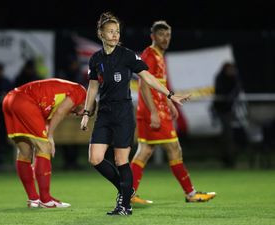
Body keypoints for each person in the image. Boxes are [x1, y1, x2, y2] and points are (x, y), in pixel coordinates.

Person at [80, 12, 190, 216]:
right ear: (101, 34)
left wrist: (170, 95)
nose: (114, 35)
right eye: (110, 32)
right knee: (95, 158)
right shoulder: (95, 59)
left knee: (121, 160)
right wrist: (87, 112)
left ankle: (125, 205)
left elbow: (147, 77)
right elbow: (93, 87)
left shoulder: (127, 55)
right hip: (104, 113)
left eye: (117, 31)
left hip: (123, 112)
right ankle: (126, 190)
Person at [129, 21, 216, 205]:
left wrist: (170, 103)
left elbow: (159, 85)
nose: (165, 38)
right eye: (161, 35)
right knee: (174, 149)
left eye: (168, 35)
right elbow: (143, 84)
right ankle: (191, 194)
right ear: (153, 36)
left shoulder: (159, 56)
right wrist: (153, 111)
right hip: (153, 112)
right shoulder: (150, 55)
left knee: (144, 151)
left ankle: (128, 194)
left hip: (156, 110)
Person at [2, 78, 89, 208]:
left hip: (9, 99)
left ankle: (33, 199)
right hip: (25, 101)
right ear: (87, 106)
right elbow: (59, 113)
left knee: (24, 153)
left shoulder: (60, 100)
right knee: (44, 148)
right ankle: (46, 200)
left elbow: (46, 117)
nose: (78, 115)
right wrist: (50, 137)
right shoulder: (81, 92)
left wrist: (48, 134)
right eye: (83, 114)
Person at [212, 62, 248, 168]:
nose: (231, 71)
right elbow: (219, 91)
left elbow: (238, 89)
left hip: (231, 109)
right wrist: (227, 97)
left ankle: (230, 157)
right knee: (227, 134)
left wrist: (231, 97)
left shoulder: (235, 78)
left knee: (232, 133)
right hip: (221, 109)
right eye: (229, 69)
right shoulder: (220, 77)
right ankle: (227, 158)